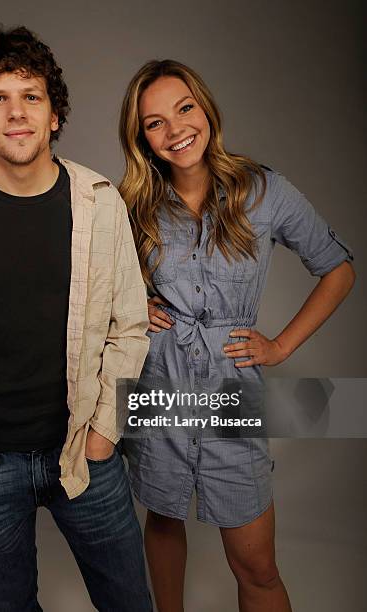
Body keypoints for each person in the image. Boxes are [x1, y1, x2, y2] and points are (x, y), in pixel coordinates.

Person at [0, 26, 153, 612]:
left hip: (85, 454)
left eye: (31, 96)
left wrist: (102, 435)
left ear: (54, 114)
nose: (16, 113)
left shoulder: (99, 201)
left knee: (130, 604)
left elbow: (130, 326)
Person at [118, 59, 355, 612]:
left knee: (257, 567)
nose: (175, 130)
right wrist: (134, 308)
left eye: (184, 109)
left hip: (232, 387)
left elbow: (337, 268)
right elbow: (96, 286)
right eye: (154, 123)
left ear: (206, 109)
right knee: (162, 514)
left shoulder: (266, 191)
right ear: (142, 138)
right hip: (161, 380)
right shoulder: (132, 204)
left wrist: (281, 346)